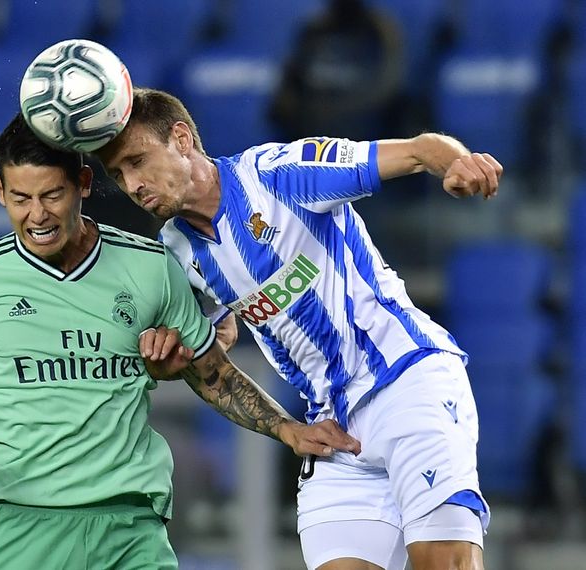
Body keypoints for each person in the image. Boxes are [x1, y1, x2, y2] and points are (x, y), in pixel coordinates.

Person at [0, 113, 359, 569]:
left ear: (82, 183)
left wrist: (287, 428)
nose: (37, 215)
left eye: (52, 195)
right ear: (0, 192)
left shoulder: (150, 266)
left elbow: (212, 373)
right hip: (21, 524)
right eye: (20, 198)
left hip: (130, 530)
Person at [95, 87, 503, 570]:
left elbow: (419, 150)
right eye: (119, 174)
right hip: (333, 425)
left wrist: (457, 162)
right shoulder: (175, 251)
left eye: (138, 161)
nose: (132, 184)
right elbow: (214, 345)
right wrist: (176, 358)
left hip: (406, 381)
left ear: (181, 139)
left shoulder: (279, 174)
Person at [269, 0, 405, 143]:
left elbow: (389, 86)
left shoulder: (381, 31)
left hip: (363, 124)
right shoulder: (313, 30)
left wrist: (343, 109)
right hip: (313, 123)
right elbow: (290, 81)